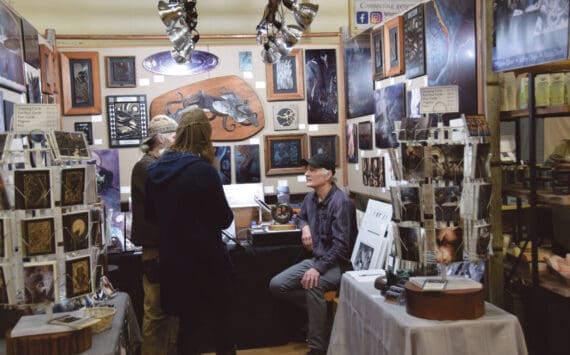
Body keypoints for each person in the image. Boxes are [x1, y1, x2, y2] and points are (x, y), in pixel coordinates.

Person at [145, 109, 236, 355]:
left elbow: (152, 218)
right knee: (222, 330)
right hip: (208, 264)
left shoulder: (153, 171)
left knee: (187, 331)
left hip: (174, 264)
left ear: (181, 132)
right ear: (205, 136)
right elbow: (224, 219)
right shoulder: (204, 171)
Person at [269, 153, 357, 355]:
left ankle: (317, 348)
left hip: (338, 264)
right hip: (318, 259)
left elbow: (341, 246)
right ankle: (322, 312)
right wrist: (305, 226)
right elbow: (299, 217)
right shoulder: (310, 198)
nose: (306, 173)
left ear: (327, 175)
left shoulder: (341, 202)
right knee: (277, 285)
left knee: (313, 286)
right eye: (306, 169)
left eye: (312, 170)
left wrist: (318, 269)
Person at [131, 114, 179, 355]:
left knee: (169, 309)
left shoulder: (154, 165)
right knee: (156, 310)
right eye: (173, 135)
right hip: (156, 249)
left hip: (164, 248)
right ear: (160, 138)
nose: (176, 139)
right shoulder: (148, 167)